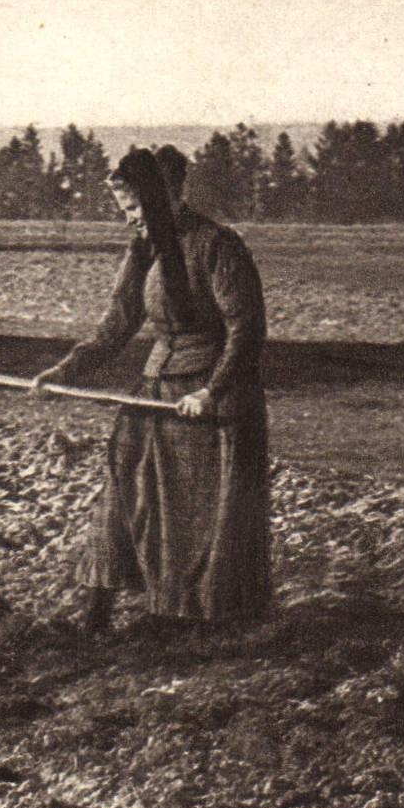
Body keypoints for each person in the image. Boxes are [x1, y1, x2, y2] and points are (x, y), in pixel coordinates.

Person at [32, 145, 272, 636]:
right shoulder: (143, 250)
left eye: (135, 208)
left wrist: (211, 391)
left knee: (192, 517)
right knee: (120, 494)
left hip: (206, 401)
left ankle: (187, 621)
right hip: (154, 393)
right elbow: (116, 325)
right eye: (125, 210)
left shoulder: (216, 245)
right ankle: (95, 619)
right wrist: (64, 372)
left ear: (164, 198)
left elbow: (246, 329)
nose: (130, 220)